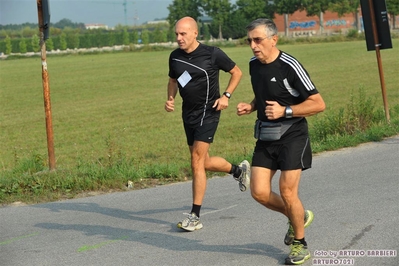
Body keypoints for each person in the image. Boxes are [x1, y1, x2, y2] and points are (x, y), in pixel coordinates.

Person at [236, 18, 326, 265]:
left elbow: (318, 103)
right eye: (250, 41)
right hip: (266, 135)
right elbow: (263, 93)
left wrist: (285, 111)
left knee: (287, 190)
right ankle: (297, 215)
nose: (253, 46)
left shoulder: (290, 65)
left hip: (292, 135)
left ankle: (300, 243)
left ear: (274, 39)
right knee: (259, 192)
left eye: (258, 40)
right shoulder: (254, 64)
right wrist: (251, 105)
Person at [165, 16, 250, 232]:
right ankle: (238, 170)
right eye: (176, 34)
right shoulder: (174, 57)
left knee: (196, 161)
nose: (178, 38)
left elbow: (237, 72)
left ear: (195, 33)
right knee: (204, 162)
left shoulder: (212, 54)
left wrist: (226, 96)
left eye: (183, 34)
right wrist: (171, 98)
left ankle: (195, 215)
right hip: (189, 113)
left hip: (209, 111)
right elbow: (173, 80)